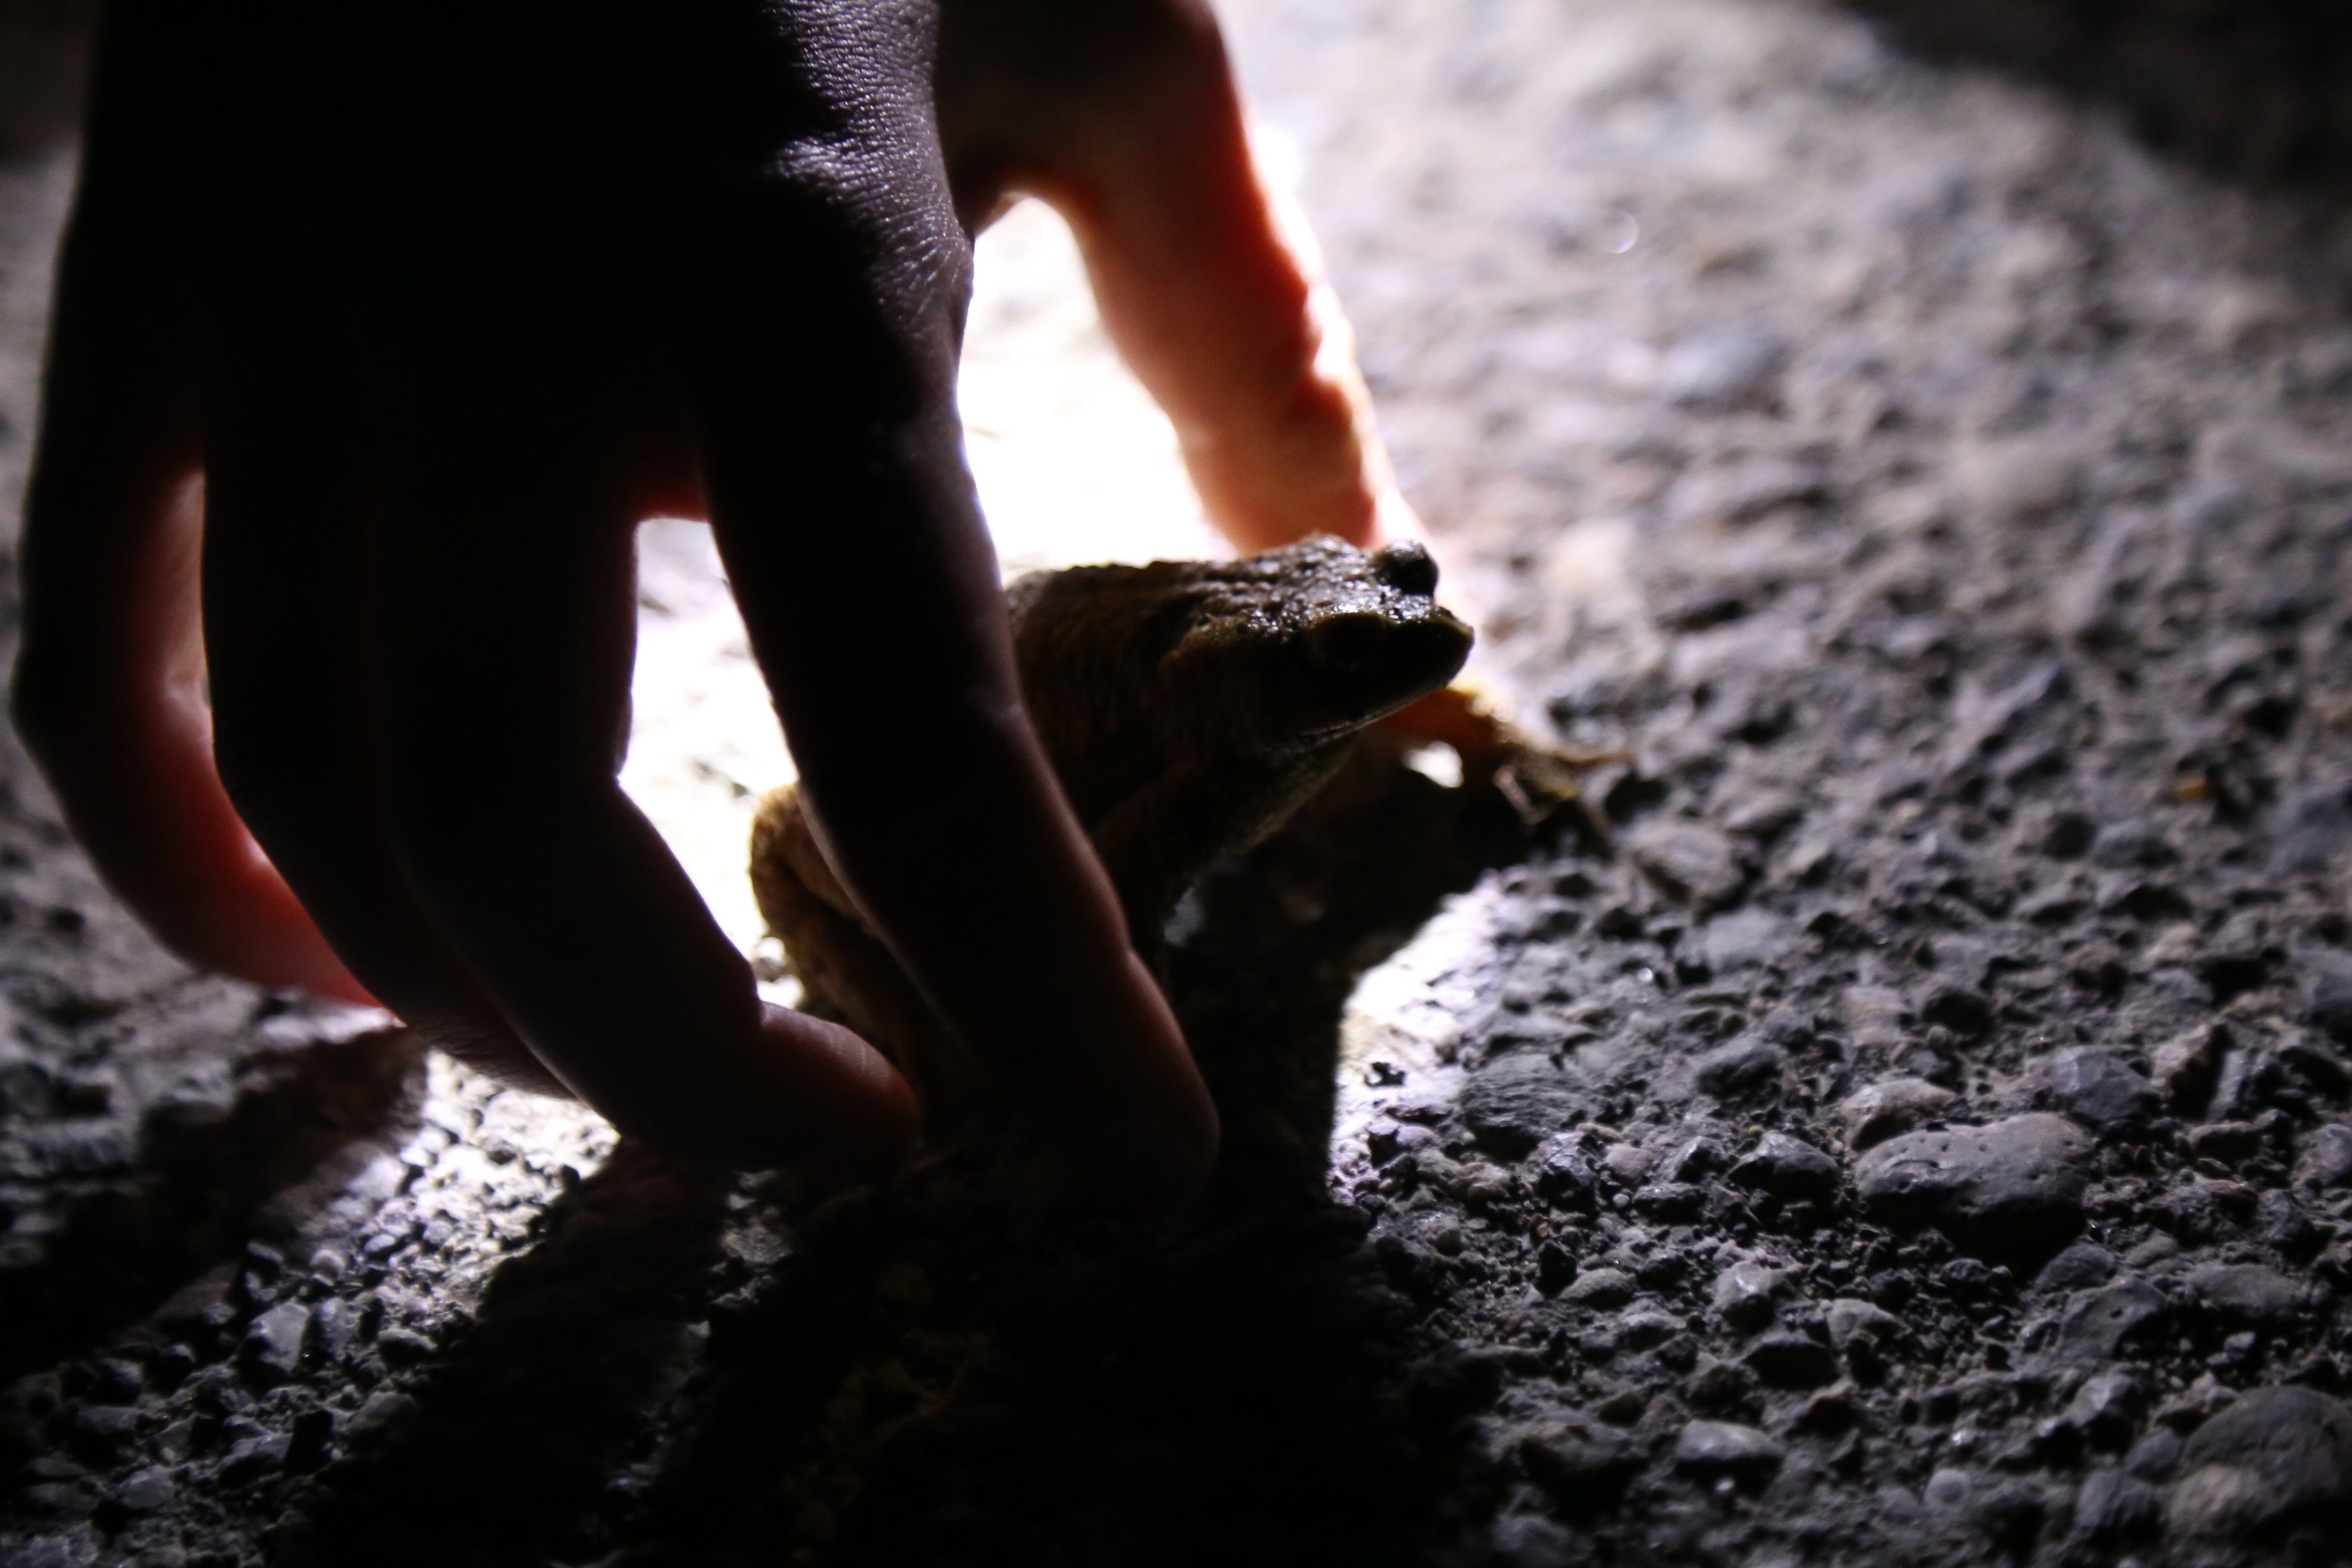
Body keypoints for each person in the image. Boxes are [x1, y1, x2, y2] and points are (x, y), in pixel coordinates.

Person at [12, 0, 1422, 1219]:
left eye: (1400, 597)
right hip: (1019, 736)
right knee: (931, 862)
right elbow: (1133, 880)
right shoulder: (1218, 742)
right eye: (1363, 642)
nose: (1429, 638)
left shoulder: (1266, 708)